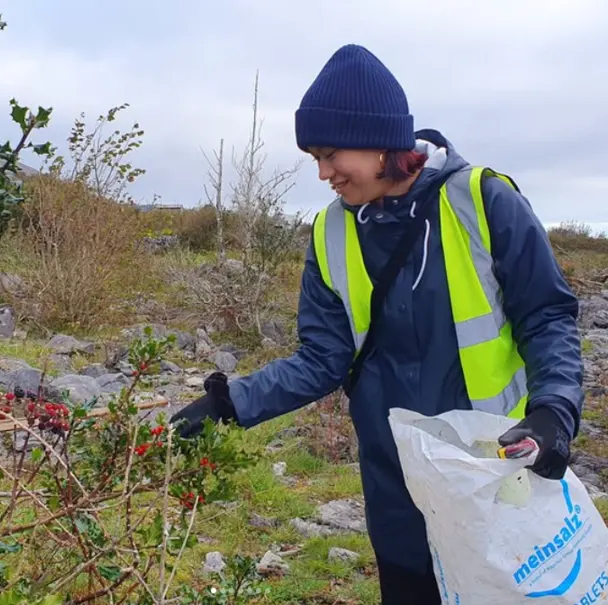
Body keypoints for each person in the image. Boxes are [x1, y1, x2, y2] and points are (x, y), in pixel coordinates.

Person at [170, 44, 584, 604]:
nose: (323, 173)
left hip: (493, 471)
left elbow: (547, 317)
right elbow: (323, 359)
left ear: (381, 141)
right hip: (396, 485)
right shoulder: (329, 233)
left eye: (330, 153)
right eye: (315, 158)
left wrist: (554, 410)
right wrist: (228, 405)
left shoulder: (484, 201)